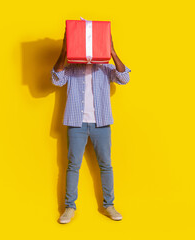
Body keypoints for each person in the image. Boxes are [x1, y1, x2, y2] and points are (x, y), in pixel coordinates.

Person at [51, 26, 131, 224]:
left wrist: (111, 51)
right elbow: (56, 78)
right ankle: (69, 207)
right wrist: (64, 50)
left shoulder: (106, 68)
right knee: (72, 166)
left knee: (105, 165)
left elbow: (124, 77)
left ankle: (109, 205)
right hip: (76, 123)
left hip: (101, 123)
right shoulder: (71, 68)